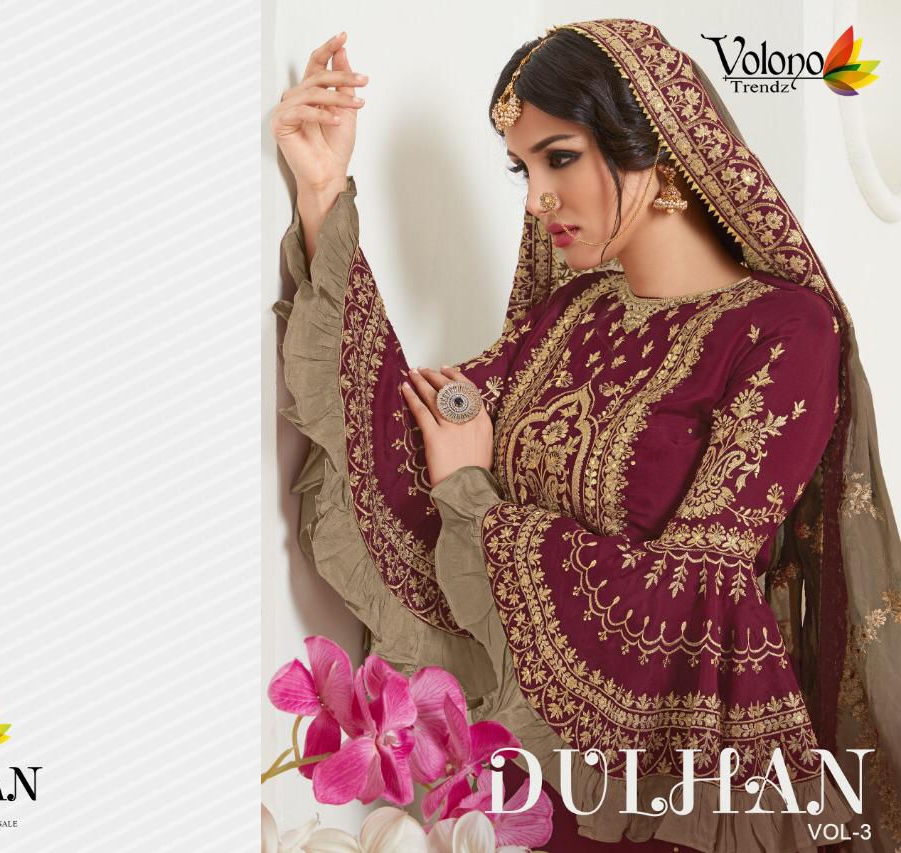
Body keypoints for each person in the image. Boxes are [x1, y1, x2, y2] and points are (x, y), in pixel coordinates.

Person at [270, 20, 901, 853]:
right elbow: (399, 433)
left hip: (670, 797)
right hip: (525, 789)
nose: (536, 199)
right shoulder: (571, 314)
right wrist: (322, 192)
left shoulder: (784, 331)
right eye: (522, 169)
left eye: (558, 158)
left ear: (657, 149)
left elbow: (692, 594)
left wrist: (472, 497)